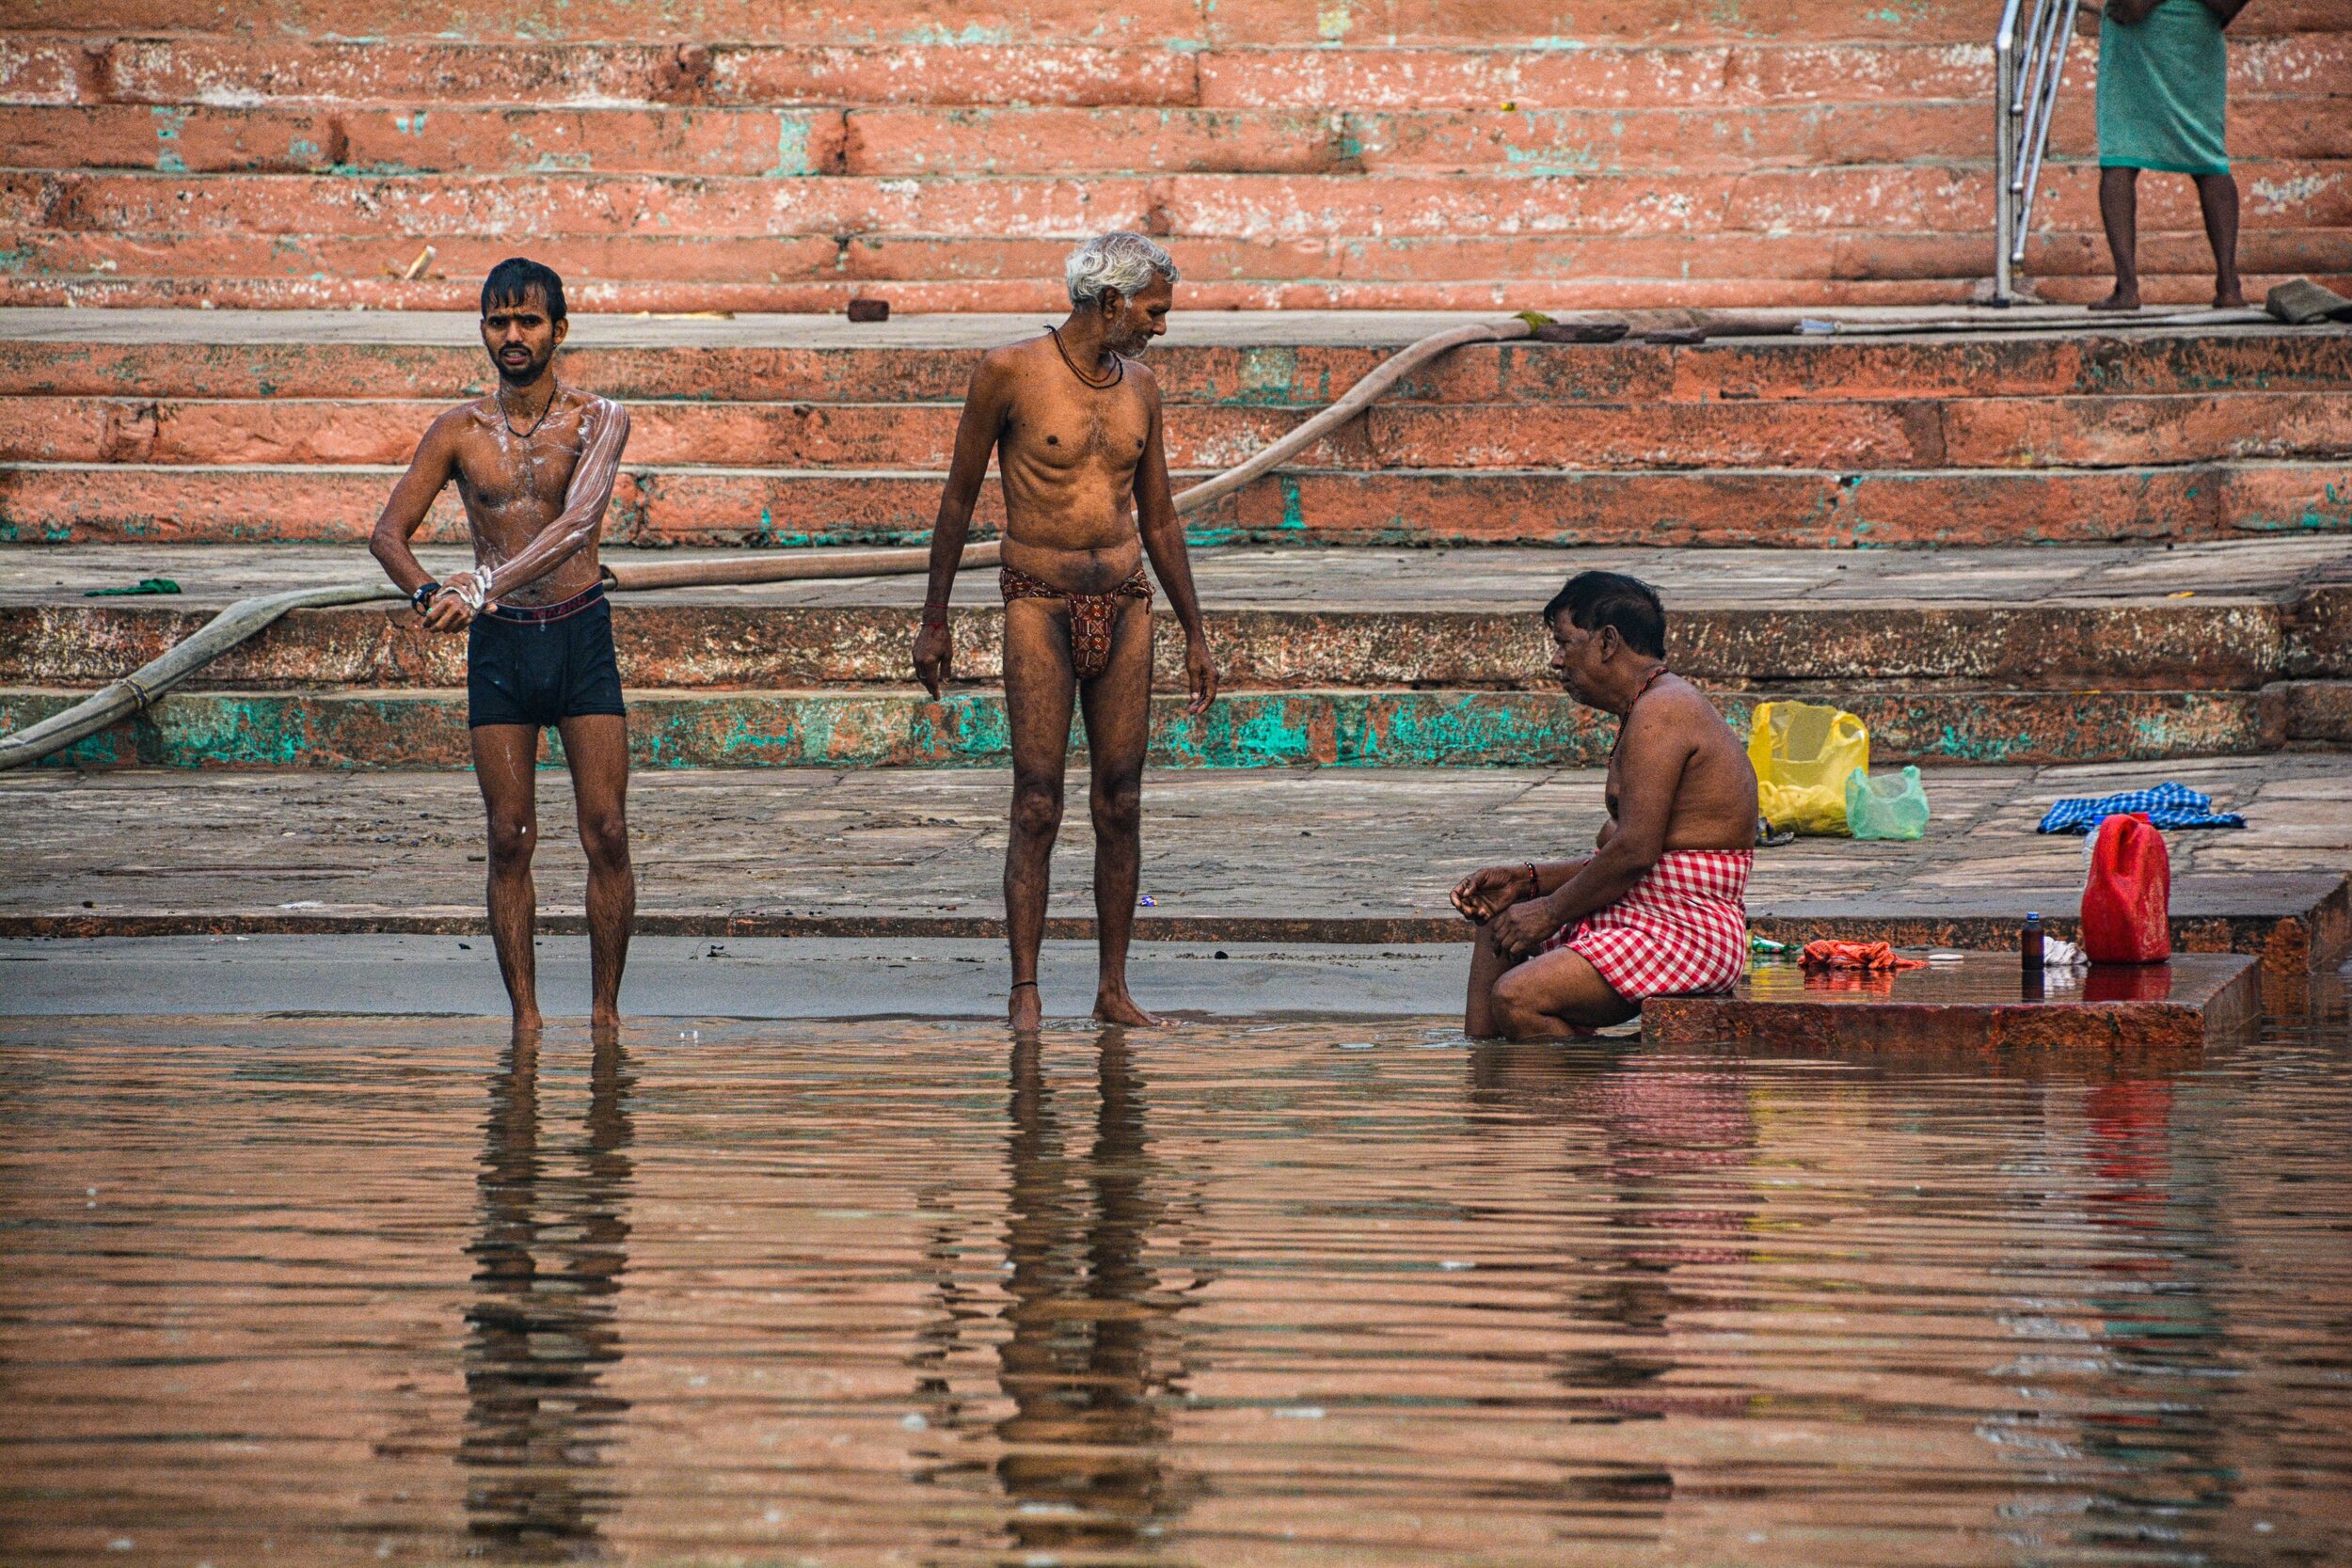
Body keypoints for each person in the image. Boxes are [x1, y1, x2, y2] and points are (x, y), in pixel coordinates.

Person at [913, 232, 1217, 1030]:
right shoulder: (1009, 372)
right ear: (1110, 302)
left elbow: (1159, 516)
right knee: (1037, 801)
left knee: (1120, 801)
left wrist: (1196, 629)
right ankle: (1025, 990)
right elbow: (955, 502)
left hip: (1125, 603)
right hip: (1037, 602)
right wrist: (934, 620)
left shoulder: (1142, 388)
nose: (1161, 325)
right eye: (1154, 310)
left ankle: (1113, 988)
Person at [369, 258, 636, 1033]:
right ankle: (525, 1020)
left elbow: (577, 525)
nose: (512, 336)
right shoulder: (457, 431)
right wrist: (427, 591)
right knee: (508, 836)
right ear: (483, 329)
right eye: (498, 321)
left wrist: (478, 584)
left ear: (560, 329)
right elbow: (388, 535)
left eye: (527, 321)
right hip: (503, 652)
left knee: (607, 830)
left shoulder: (600, 418)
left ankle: (605, 1016)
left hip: (580, 634)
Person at [1452, 572, 1759, 1040]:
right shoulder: (1645, 707)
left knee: (1518, 996)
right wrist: (1525, 881)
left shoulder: (1665, 710)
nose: (1557, 661)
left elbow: (1636, 851)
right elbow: (1633, 858)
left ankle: (1602, 1086)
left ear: (1608, 642)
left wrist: (1549, 911)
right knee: (1498, 916)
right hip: (1637, 912)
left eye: (1565, 643)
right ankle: (1486, 1078)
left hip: (1686, 932)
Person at [2088, 0, 2251, 310]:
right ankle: (2229, 285)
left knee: (2120, 152)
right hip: (2197, 23)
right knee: (2208, 154)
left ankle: (2127, 287)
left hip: (2139, 24)